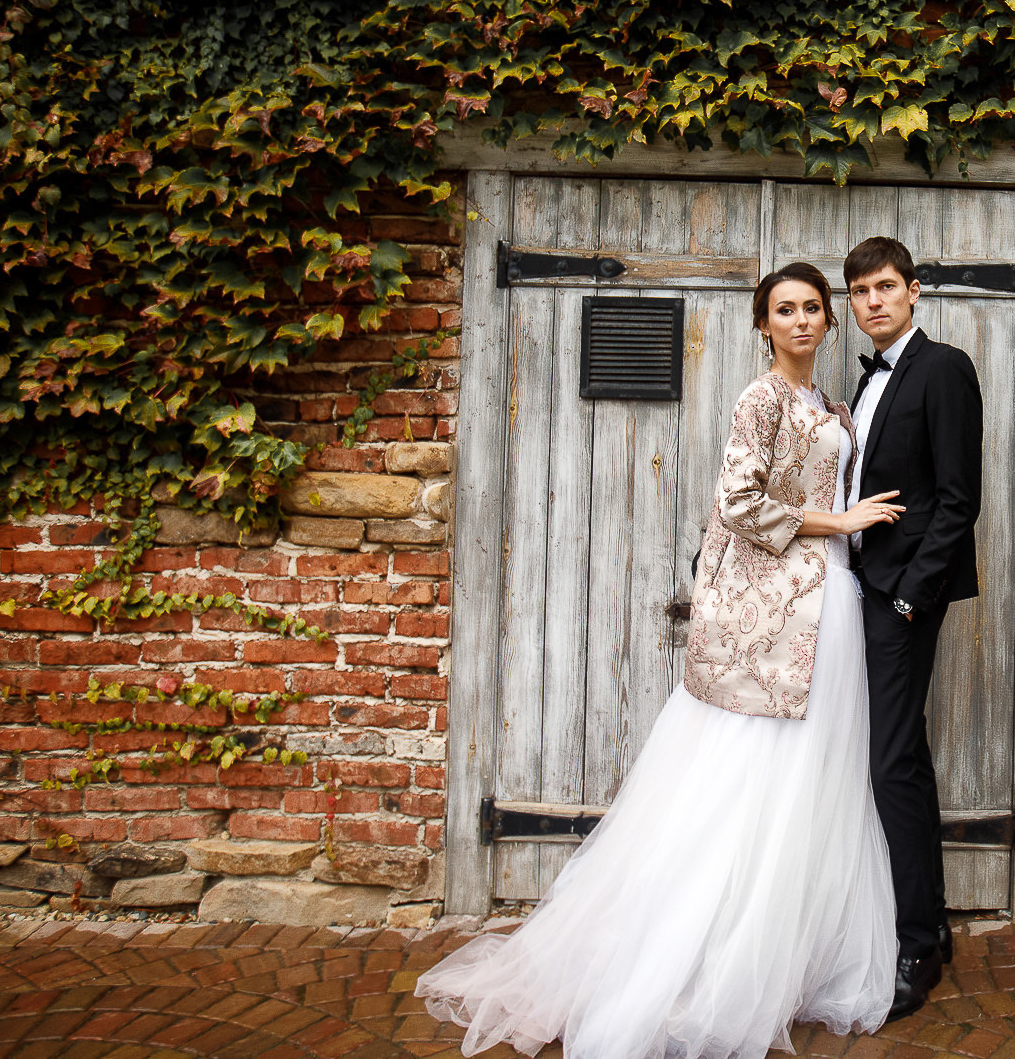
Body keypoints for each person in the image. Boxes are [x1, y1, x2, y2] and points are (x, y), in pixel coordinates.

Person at [416, 262, 904, 1058]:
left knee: (811, 791)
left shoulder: (828, 403)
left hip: (830, 605)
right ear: (763, 324)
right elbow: (738, 502)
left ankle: (782, 955)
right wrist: (840, 518)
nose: (804, 320)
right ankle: (698, 962)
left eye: (814, 307)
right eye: (786, 309)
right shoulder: (762, 398)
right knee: (744, 784)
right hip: (772, 616)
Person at [842, 236, 984, 1023]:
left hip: (899, 597)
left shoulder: (943, 367)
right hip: (859, 589)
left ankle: (914, 943)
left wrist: (908, 599)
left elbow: (958, 498)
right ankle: (931, 924)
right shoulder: (861, 383)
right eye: (861, 290)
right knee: (904, 760)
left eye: (886, 286)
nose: (874, 300)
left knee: (892, 763)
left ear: (915, 290)